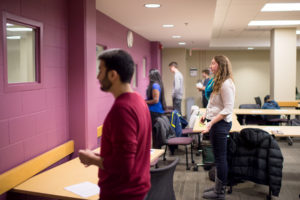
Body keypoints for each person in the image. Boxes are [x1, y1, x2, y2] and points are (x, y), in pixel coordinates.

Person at [78, 49, 152, 200]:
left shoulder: (122, 109)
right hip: (135, 190)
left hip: (121, 193)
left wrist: (90, 159)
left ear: (113, 75)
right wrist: (99, 156)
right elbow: (129, 152)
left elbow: (123, 166)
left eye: (100, 70)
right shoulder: (138, 100)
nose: (98, 76)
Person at [200, 55, 235, 200]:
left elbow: (228, 109)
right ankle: (217, 187)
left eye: (213, 63)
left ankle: (219, 192)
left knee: (221, 158)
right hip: (216, 123)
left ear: (220, 66)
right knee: (218, 157)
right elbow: (214, 104)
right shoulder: (218, 81)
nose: (210, 66)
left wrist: (211, 122)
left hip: (220, 124)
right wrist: (206, 115)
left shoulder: (226, 83)